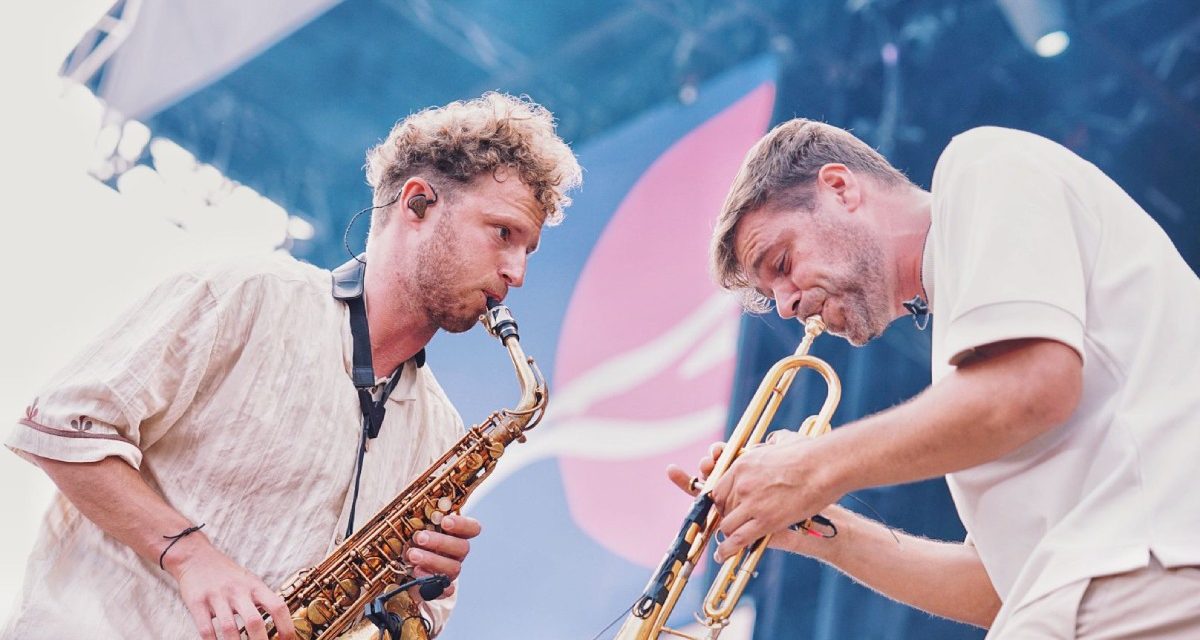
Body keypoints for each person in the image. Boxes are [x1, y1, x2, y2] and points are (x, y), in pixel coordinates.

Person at [3, 92, 582, 640]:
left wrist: (415, 591)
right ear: (417, 203)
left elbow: (406, 619)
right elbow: (61, 425)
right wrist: (188, 553)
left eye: (526, 250)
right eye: (502, 233)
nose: (516, 273)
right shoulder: (247, 295)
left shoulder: (440, 430)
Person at [669, 120, 1200, 637]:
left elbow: (1031, 390)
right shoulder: (965, 332)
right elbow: (998, 589)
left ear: (839, 187)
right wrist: (821, 525)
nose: (786, 305)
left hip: (1148, 576)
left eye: (782, 262)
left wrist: (811, 467)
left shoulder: (981, 164)